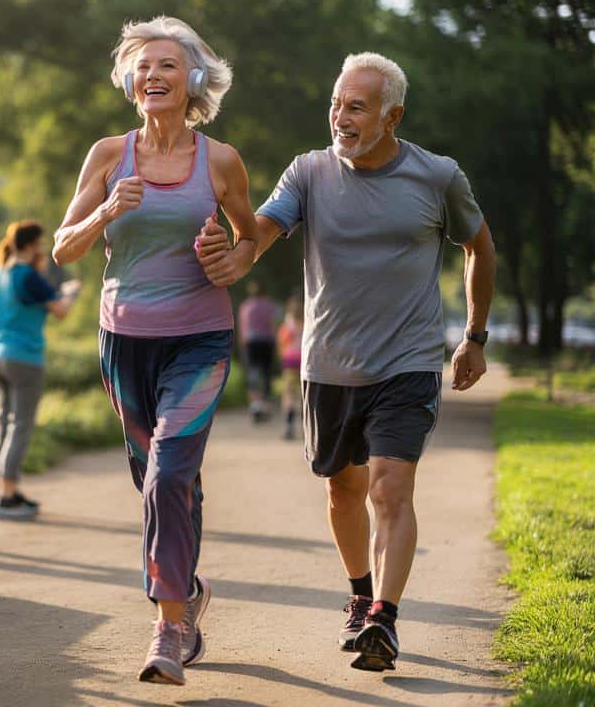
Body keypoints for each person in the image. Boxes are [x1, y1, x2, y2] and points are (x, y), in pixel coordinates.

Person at [195, 52, 495, 672]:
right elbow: (265, 230)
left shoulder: (437, 177)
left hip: (408, 362)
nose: (341, 117)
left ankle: (384, 617)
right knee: (343, 488)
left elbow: (479, 246)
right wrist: (236, 255)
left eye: (356, 106)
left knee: (390, 487)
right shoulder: (307, 173)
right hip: (328, 364)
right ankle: (359, 595)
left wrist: (475, 335)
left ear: (393, 116)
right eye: (337, 103)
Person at [51, 16, 259, 686]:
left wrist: (231, 261)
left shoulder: (220, 160)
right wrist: (107, 212)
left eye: (168, 65)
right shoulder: (109, 155)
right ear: (129, 81)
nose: (154, 75)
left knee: (169, 473)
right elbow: (64, 247)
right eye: (143, 66)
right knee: (158, 478)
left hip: (199, 340)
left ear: (193, 79)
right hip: (124, 342)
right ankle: (187, 592)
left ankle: (168, 629)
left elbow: (250, 238)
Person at [0, 220, 80, 521]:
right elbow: (61, 310)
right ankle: (7, 496)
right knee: (21, 425)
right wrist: (71, 292)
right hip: (24, 358)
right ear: (30, 245)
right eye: (40, 243)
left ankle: (5, 490)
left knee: (4, 422)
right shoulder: (27, 275)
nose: (43, 249)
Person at [237, 281, 278, 422]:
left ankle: (255, 406)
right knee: (266, 374)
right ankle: (266, 406)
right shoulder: (270, 306)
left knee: (253, 372)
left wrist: (242, 344)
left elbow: (243, 328)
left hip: (251, 343)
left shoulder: (245, 306)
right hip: (267, 342)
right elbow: (273, 325)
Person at [277, 296, 304, 440]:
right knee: (304, 395)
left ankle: (289, 427)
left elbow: (282, 341)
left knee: (288, 394)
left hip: (290, 360)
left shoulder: (288, 324)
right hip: (304, 360)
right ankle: (306, 428)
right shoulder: (307, 320)